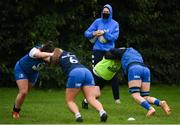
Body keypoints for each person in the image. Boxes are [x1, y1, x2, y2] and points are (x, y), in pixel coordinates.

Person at [98, 47, 171, 116]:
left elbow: (109, 53)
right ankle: (161, 103)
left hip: (134, 69)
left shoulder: (123, 51)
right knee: (145, 96)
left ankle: (150, 109)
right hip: (145, 69)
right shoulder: (136, 53)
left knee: (135, 95)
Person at [51, 48, 108, 122]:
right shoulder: (70, 53)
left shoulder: (59, 58)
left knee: (70, 100)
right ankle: (102, 112)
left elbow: (51, 57)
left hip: (75, 72)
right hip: (86, 71)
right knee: (91, 98)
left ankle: (78, 116)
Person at [84, 4, 120, 108]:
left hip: (110, 52)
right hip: (98, 51)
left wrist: (104, 33)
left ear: (110, 13)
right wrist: (95, 33)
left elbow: (114, 37)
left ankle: (117, 99)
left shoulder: (115, 24)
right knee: (96, 75)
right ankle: (87, 100)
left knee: (112, 73)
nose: (105, 13)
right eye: (104, 12)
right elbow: (86, 33)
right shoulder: (97, 22)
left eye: (107, 12)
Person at [12, 41, 55, 119]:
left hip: (33, 73)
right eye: (49, 53)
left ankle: (17, 103)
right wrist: (51, 54)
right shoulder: (35, 50)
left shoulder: (48, 53)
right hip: (21, 69)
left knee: (25, 93)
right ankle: (15, 111)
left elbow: (52, 61)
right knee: (23, 92)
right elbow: (38, 54)